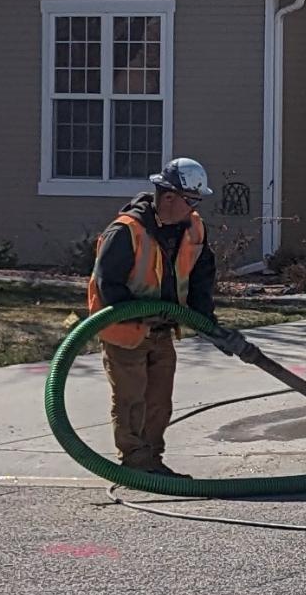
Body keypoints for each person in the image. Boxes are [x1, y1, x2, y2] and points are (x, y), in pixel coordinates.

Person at [85, 155, 218, 475]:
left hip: (162, 332)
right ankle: (135, 462)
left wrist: (206, 320)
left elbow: (201, 277)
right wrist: (139, 314)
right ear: (169, 197)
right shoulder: (126, 231)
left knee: (159, 401)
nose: (195, 207)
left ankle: (152, 461)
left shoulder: (193, 227)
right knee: (132, 400)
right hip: (125, 333)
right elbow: (108, 283)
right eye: (191, 200)